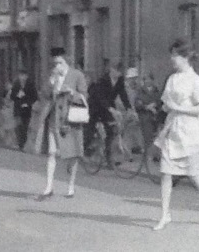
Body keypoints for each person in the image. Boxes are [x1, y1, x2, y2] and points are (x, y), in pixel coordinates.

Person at [152, 39, 199, 230]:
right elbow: (165, 103)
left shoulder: (196, 80)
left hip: (190, 131)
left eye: (175, 55)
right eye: (171, 55)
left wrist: (178, 107)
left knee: (195, 174)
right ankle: (164, 215)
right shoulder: (172, 79)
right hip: (172, 129)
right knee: (166, 173)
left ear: (185, 57)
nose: (172, 59)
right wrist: (166, 107)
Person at [35, 47, 87, 200]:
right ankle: (49, 186)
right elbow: (44, 95)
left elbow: (84, 95)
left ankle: (70, 186)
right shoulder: (52, 77)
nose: (56, 67)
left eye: (59, 63)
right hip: (55, 119)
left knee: (72, 155)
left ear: (66, 62)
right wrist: (51, 85)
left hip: (71, 120)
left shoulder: (77, 75)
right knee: (51, 153)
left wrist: (72, 93)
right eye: (54, 64)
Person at [92, 62, 132, 168]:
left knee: (112, 131)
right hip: (96, 107)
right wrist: (111, 109)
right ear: (111, 69)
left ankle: (109, 157)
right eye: (117, 71)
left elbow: (123, 94)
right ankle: (86, 148)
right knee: (89, 131)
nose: (118, 74)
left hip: (109, 108)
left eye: (120, 72)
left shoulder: (120, 80)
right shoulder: (102, 80)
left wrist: (129, 108)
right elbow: (100, 98)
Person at [11, 68, 38, 150]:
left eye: (24, 76)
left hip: (26, 109)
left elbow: (35, 97)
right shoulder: (16, 84)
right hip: (18, 108)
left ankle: (23, 143)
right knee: (18, 125)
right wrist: (17, 95)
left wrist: (28, 103)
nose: (22, 77)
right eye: (20, 76)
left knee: (25, 127)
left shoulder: (30, 84)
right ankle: (20, 144)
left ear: (26, 76)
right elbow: (11, 96)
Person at [134, 72, 163, 148]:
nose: (147, 81)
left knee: (156, 138)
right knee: (147, 139)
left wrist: (155, 105)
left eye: (149, 79)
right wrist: (147, 107)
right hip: (144, 117)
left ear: (152, 80)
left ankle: (154, 156)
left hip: (155, 117)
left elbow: (161, 101)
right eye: (145, 79)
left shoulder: (157, 91)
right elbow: (137, 104)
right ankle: (146, 157)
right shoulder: (140, 91)